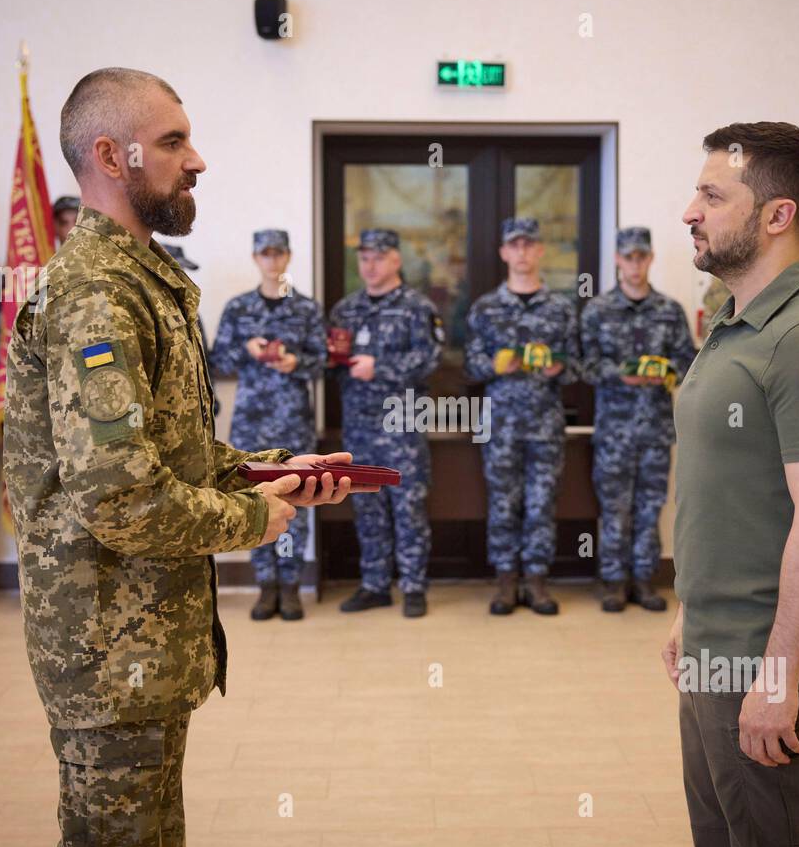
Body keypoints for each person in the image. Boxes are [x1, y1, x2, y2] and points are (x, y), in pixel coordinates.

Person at [3, 67, 368, 847]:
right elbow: (118, 496)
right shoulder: (98, 293)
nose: (195, 159)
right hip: (109, 653)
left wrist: (273, 470)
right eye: (172, 142)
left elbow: (170, 452)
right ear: (111, 155)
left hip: (146, 648)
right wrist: (252, 516)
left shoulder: (143, 279)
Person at [665, 122, 799, 847]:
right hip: (716, 647)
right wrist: (693, 610)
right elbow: (728, 491)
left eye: (712, 195)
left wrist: (779, 676)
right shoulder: (737, 321)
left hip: (768, 658)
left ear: (778, 215)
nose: (690, 211)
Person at [464, 217, 580, 615]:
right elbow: (469, 364)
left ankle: (536, 581)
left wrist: (558, 369)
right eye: (515, 245)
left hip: (545, 423)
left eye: (529, 245)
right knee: (502, 502)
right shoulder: (486, 307)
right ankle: (505, 580)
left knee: (542, 503)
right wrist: (498, 366)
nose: (522, 252)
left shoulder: (561, 309)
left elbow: (578, 365)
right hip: (500, 424)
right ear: (503, 252)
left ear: (540, 250)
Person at [210, 229, 325, 621]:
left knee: (299, 499)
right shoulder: (239, 308)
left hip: (294, 420)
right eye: (265, 254)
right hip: (251, 422)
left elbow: (325, 360)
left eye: (279, 254)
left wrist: (298, 364)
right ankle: (267, 586)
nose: (272, 261)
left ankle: (291, 585)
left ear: (288, 258)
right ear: (256, 258)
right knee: (255, 498)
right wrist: (246, 349)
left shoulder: (306, 309)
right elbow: (217, 359)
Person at [580, 226, 697, 612]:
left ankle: (644, 579)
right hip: (614, 430)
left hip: (655, 429)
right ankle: (613, 581)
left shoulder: (669, 310)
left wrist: (665, 372)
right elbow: (587, 366)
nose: (634, 263)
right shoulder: (597, 310)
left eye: (641, 256)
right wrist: (621, 374)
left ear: (650, 258)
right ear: (617, 259)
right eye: (628, 256)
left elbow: (687, 363)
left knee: (650, 506)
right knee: (614, 507)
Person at [328, 229, 442, 618]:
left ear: (396, 259)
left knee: (408, 506)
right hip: (358, 425)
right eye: (364, 258)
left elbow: (429, 360)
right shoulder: (346, 309)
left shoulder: (417, 307)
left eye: (378, 257)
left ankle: (413, 586)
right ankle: (375, 584)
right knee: (367, 507)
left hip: (402, 426)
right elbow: (334, 359)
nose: (370, 265)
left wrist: (381, 368)